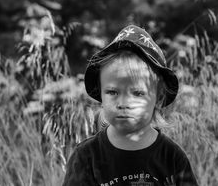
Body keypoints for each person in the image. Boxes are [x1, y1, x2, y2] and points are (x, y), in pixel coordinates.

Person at [62, 25, 199, 186]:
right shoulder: (86, 157)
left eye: (137, 93)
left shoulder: (172, 158)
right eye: (113, 92)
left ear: (159, 98)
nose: (123, 103)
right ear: (101, 93)